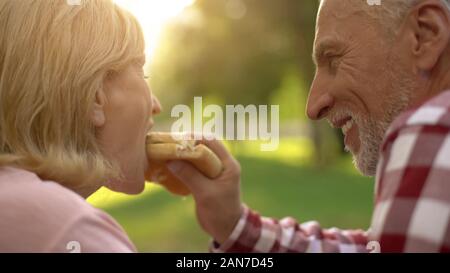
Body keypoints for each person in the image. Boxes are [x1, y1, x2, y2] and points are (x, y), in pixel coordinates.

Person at [169, 0, 450, 252]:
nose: (313, 106)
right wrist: (233, 225)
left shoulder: (433, 127)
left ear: (424, 35)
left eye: (334, 59)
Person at [0, 0, 163, 252]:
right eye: (142, 72)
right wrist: (234, 227)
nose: (156, 105)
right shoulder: (64, 227)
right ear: (94, 98)